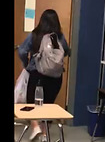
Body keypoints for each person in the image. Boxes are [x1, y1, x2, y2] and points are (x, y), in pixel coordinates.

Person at [18, 9, 71, 141]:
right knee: (48, 106)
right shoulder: (58, 37)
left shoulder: (35, 35)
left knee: (32, 104)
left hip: (37, 75)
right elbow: (67, 52)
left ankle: (35, 127)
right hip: (55, 78)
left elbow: (22, 51)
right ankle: (44, 134)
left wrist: (27, 64)